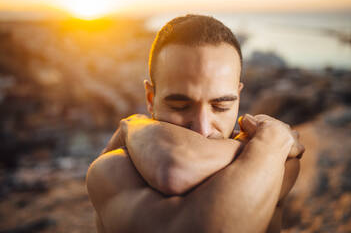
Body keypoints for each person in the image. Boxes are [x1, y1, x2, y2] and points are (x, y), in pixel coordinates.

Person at [86, 14, 305, 233]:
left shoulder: (283, 163)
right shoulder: (110, 172)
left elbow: (179, 165)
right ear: (151, 99)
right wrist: (271, 141)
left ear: (238, 98)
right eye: (180, 106)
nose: (202, 129)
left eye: (220, 107)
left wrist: (134, 127)